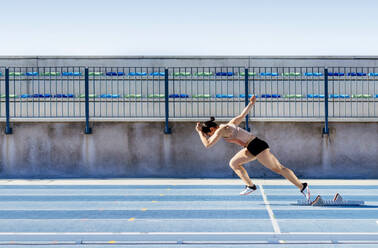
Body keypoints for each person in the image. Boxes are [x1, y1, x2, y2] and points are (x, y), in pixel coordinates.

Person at [195, 95, 310, 200]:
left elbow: (207, 144)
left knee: (279, 168)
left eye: (208, 134)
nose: (210, 136)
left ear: (211, 129)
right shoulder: (230, 124)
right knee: (234, 163)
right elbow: (242, 115)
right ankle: (250, 186)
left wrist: (200, 132)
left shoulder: (220, 131)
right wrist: (251, 103)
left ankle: (302, 186)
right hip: (250, 147)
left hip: (257, 146)